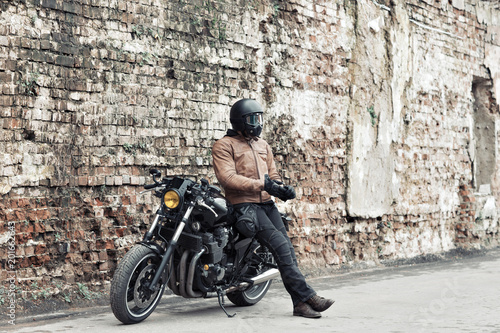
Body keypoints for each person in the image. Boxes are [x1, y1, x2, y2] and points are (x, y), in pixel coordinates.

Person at [211, 98, 334, 318]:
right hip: (244, 206)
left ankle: (300, 305)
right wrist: (262, 184)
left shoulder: (262, 144)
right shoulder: (224, 145)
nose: (257, 123)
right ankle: (310, 296)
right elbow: (227, 178)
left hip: (267, 204)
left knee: (287, 250)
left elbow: (273, 175)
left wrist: (281, 189)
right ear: (240, 121)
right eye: (252, 118)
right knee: (280, 247)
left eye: (259, 118)